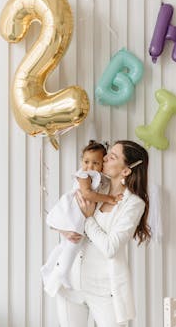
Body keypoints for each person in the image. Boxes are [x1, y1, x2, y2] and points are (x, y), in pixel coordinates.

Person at [54, 140, 151, 327]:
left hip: (105, 290)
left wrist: (89, 219)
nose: (104, 158)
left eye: (112, 157)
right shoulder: (95, 187)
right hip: (71, 284)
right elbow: (63, 212)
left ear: (126, 171)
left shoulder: (133, 204)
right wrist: (63, 229)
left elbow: (110, 247)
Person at [41, 140, 122, 297]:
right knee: (73, 243)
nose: (90, 166)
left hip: (81, 212)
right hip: (75, 210)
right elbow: (86, 194)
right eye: (86, 162)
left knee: (66, 245)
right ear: (81, 161)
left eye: (95, 163)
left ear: (102, 164)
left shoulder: (100, 178)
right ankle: (62, 272)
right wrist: (109, 198)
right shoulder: (84, 175)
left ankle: (49, 267)